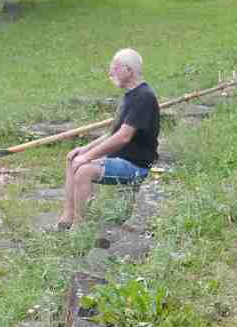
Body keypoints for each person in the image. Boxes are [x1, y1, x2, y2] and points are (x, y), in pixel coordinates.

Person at [58, 48, 160, 231]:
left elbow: (123, 137)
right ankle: (67, 217)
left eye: (115, 67)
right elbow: (112, 133)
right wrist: (85, 150)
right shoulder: (130, 96)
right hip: (120, 160)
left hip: (137, 165)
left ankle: (80, 228)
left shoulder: (144, 97)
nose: (110, 72)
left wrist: (88, 157)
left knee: (84, 171)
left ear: (128, 70)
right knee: (72, 158)